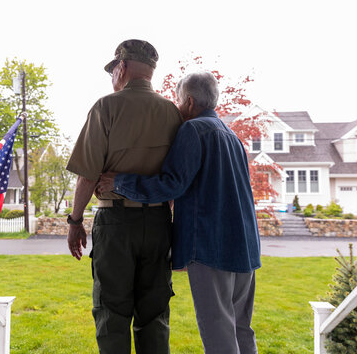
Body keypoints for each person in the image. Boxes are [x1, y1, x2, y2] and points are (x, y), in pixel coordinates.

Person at [97, 71, 261, 354]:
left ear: (188, 101)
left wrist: (118, 182)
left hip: (212, 248)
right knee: (241, 329)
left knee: (218, 331)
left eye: (177, 100)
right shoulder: (232, 136)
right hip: (245, 247)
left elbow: (170, 185)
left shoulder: (193, 130)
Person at [65, 39, 182, 354]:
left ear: (122, 66)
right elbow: (177, 178)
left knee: (112, 312)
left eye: (113, 70)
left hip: (115, 222)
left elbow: (88, 175)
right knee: (155, 314)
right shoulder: (172, 112)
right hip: (159, 222)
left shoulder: (106, 106)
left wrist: (75, 221)